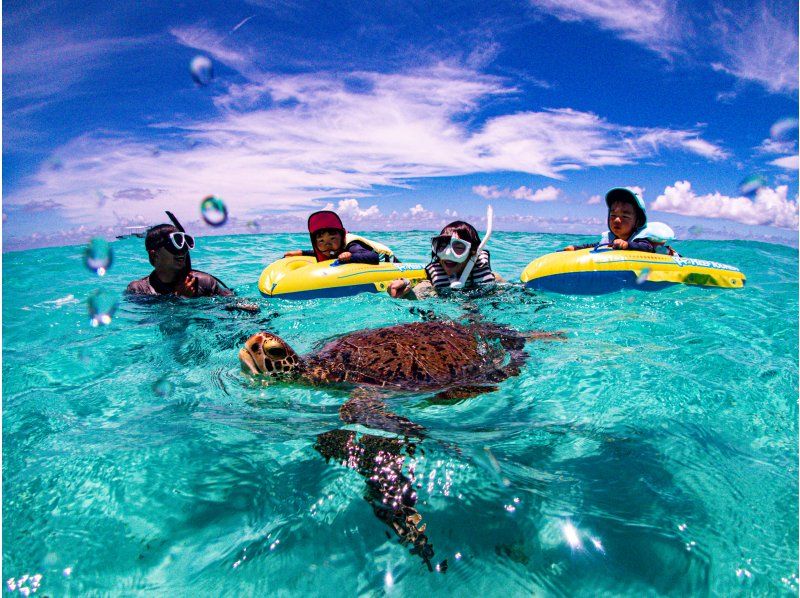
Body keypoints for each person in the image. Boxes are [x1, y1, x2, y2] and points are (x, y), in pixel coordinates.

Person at [126, 213, 233, 297]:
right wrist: (181, 299)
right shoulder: (138, 290)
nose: (182, 251)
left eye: (184, 245)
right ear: (154, 255)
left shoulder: (205, 282)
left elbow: (232, 306)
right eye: (174, 245)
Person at [388, 220, 502, 299]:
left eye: (458, 247)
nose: (447, 254)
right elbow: (417, 293)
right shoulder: (431, 285)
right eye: (441, 246)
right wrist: (405, 289)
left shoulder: (494, 279)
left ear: (473, 252)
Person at [283, 210, 395, 265]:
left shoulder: (352, 245)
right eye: (321, 241)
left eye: (332, 239)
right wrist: (301, 252)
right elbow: (325, 252)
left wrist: (350, 257)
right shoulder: (332, 249)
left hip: (388, 260)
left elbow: (373, 257)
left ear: (341, 237)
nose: (327, 245)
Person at [564, 188, 656, 253]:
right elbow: (593, 246)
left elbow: (648, 247)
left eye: (625, 216)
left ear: (638, 221)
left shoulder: (640, 239)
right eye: (613, 215)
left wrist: (627, 245)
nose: (616, 220)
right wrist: (575, 248)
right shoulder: (610, 238)